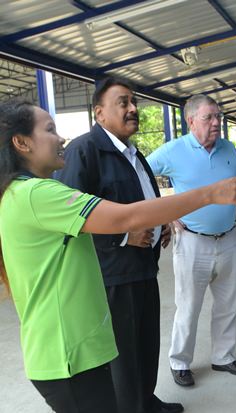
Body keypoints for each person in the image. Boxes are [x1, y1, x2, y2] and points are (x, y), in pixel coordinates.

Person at [0, 99, 236, 413]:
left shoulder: (24, 192)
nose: (61, 138)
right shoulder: (36, 194)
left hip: (74, 349)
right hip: (68, 355)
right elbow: (126, 218)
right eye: (50, 130)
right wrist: (210, 193)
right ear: (22, 142)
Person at [55, 77, 173, 413]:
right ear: (99, 113)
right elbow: (69, 217)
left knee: (146, 345)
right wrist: (123, 236)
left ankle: (146, 402)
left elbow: (143, 201)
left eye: (134, 102)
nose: (133, 109)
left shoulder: (134, 154)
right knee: (123, 356)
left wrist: (161, 224)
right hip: (111, 275)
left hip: (143, 269)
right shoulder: (85, 151)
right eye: (123, 102)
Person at [147, 94, 236, 388]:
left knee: (227, 304)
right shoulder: (173, 151)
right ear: (191, 120)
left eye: (218, 117)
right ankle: (179, 362)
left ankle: (223, 356)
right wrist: (167, 212)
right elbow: (140, 176)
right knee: (188, 306)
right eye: (209, 117)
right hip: (192, 242)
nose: (216, 123)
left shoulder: (229, 149)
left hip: (228, 239)